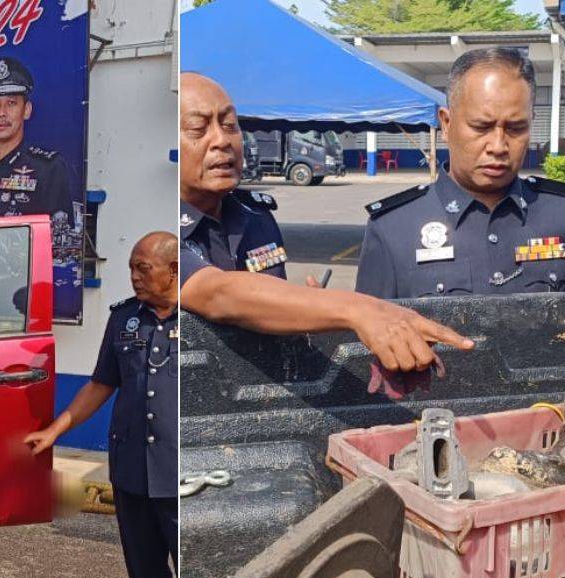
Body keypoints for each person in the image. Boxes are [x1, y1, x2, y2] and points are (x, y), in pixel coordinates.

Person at [179, 72, 475, 372]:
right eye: (197, 128)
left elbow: (261, 308)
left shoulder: (255, 217)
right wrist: (355, 309)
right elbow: (218, 293)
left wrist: (311, 306)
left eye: (230, 126)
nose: (222, 140)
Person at [24, 232, 178, 578]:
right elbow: (100, 384)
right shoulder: (125, 319)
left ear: (174, 270)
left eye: (143, 268)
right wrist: (56, 429)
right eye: (132, 267)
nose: (134, 277)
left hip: (183, 479)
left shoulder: (205, 319)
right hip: (132, 476)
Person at [355, 48, 565, 299]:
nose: (498, 146)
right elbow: (369, 332)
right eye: (481, 127)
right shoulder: (393, 227)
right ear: (447, 124)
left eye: (516, 128)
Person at [0, 56, 74, 240]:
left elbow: (58, 241)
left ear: (27, 110)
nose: (1, 113)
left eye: (11, 103)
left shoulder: (48, 168)